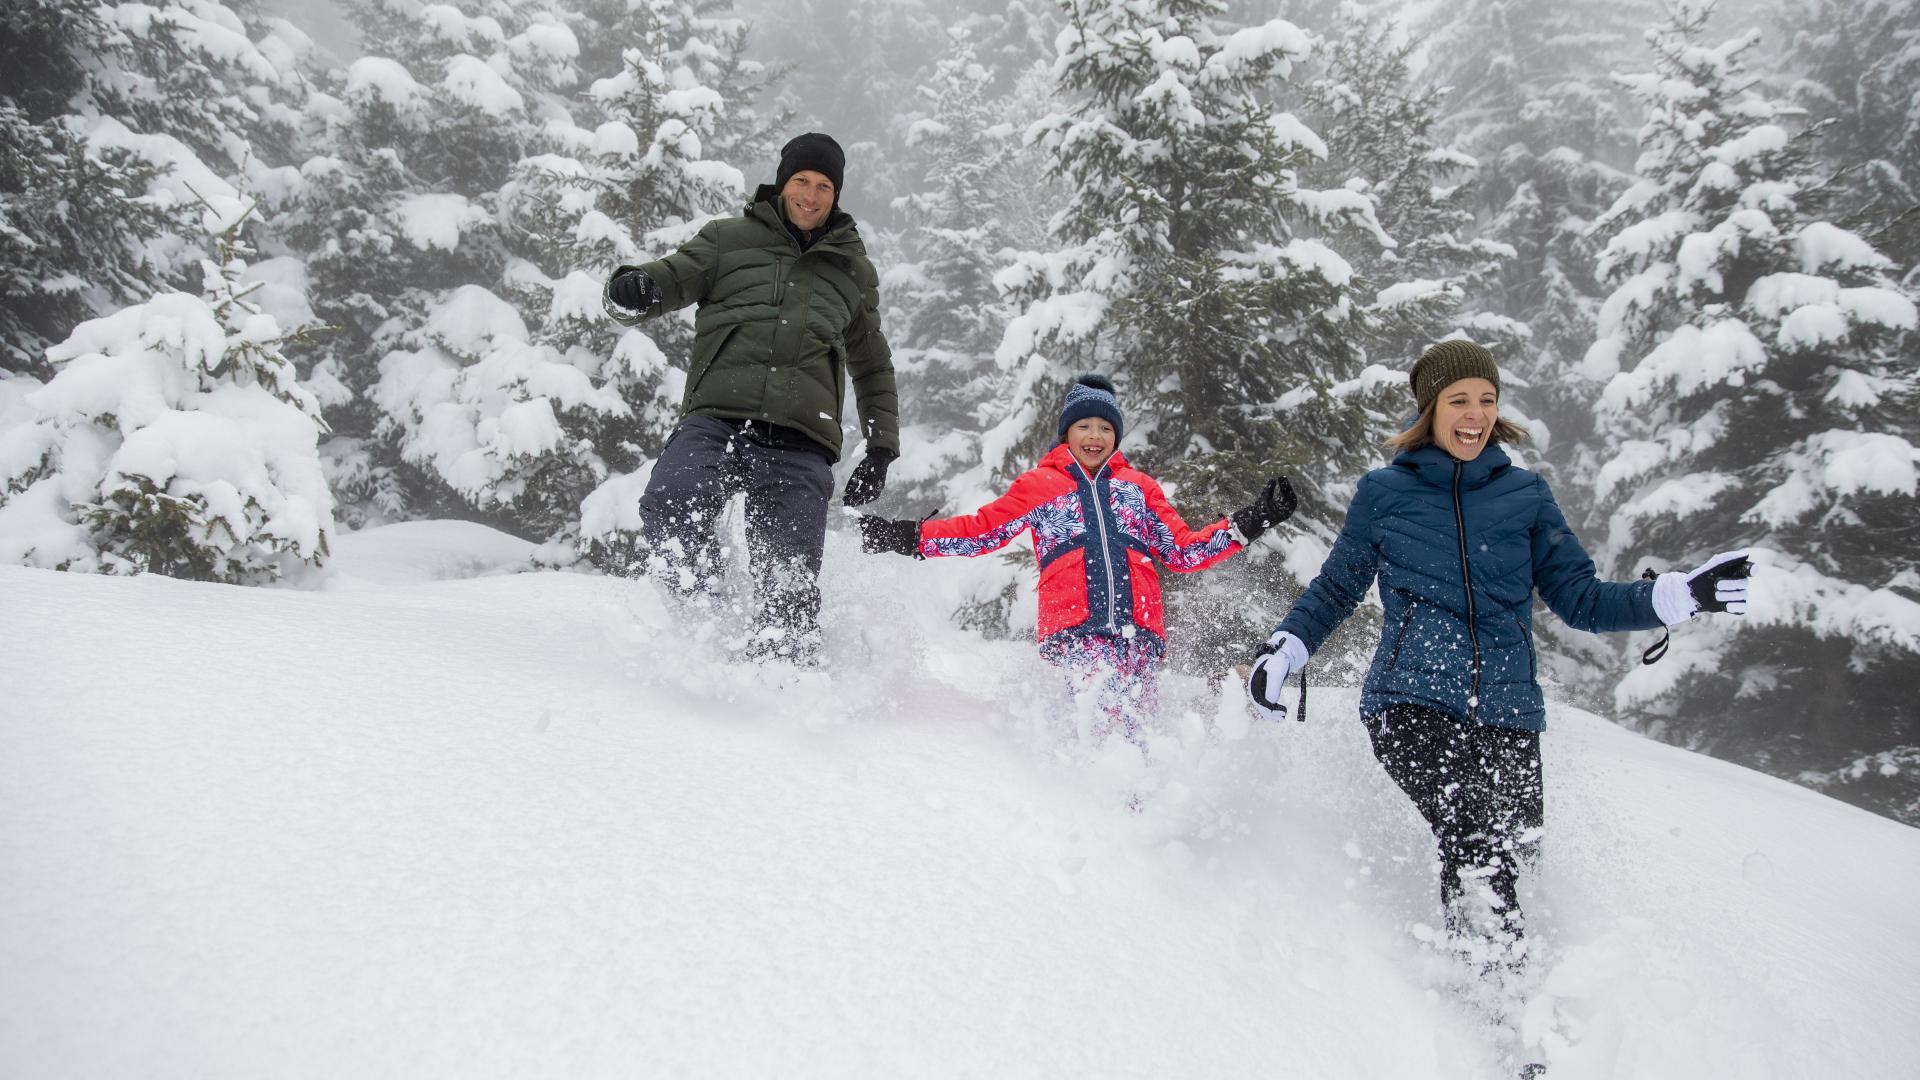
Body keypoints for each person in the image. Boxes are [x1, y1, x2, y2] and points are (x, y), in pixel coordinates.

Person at [1244, 340, 1750, 959]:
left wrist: (1673, 598)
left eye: (1487, 399)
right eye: (1459, 400)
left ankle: (1515, 992)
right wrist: (1286, 648)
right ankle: (1495, 1002)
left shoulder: (1526, 496)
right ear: (1430, 410)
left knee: (1519, 858)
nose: (1475, 413)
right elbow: (1338, 586)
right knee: (1477, 838)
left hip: (1508, 713)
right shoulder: (1384, 493)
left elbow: (1579, 598)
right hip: (1409, 703)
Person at [859, 374, 1297, 747]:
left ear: (1116, 436)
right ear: (1066, 434)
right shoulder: (1041, 485)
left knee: (1135, 734)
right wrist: (909, 536)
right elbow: (981, 531)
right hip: (1076, 631)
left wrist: (1253, 520)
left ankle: (1131, 818)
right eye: (1083, 426)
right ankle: (1093, 806)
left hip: (1138, 635)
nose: (1094, 437)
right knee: (1099, 724)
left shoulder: (1139, 488)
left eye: (1105, 428)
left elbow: (1183, 551)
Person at [603, 132, 898, 665]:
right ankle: (709, 625)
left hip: (802, 442)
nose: (810, 195)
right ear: (782, 184)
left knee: (790, 581)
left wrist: (881, 448)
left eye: (824, 186)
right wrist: (634, 287)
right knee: (671, 504)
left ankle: (785, 684)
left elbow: (872, 362)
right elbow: (668, 278)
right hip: (718, 420)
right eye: (801, 181)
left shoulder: (852, 273)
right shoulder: (728, 241)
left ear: (837, 195)